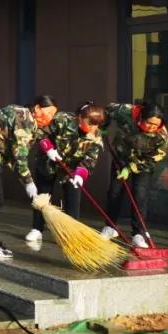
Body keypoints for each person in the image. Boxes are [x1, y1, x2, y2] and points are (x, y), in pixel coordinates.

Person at [0, 95, 58, 260]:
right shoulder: (25, 118)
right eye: (49, 112)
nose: (50, 118)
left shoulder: (23, 114)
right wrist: (29, 184)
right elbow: (20, 156)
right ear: (38, 108)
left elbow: (37, 135)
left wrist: (49, 149)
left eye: (53, 114)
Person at [26, 102, 106, 243]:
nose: (92, 128)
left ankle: (71, 233)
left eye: (96, 125)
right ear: (80, 117)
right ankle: (37, 228)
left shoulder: (96, 137)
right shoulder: (62, 119)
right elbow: (41, 131)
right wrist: (48, 147)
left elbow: (90, 159)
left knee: (73, 196)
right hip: (49, 160)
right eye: (89, 123)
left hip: (72, 169)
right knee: (43, 193)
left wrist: (80, 174)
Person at [101, 101, 168, 248]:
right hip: (121, 157)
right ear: (141, 117)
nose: (151, 127)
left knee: (139, 194)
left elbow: (153, 160)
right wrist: (104, 127)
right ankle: (110, 226)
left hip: (142, 164)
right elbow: (108, 109)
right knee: (115, 191)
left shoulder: (162, 137)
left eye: (155, 125)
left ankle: (138, 234)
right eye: (149, 123)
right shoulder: (126, 113)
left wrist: (130, 168)